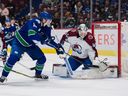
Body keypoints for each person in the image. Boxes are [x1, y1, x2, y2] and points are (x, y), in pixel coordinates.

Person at [0, 11, 64, 83]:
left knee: (42, 58)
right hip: (18, 43)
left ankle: (38, 74)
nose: (49, 22)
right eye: (48, 20)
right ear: (43, 19)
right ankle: (3, 76)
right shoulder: (33, 22)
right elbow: (32, 36)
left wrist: (57, 47)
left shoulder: (46, 27)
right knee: (13, 58)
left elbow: (48, 40)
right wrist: (43, 38)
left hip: (30, 45)